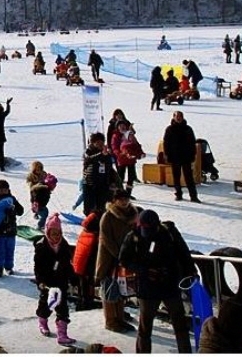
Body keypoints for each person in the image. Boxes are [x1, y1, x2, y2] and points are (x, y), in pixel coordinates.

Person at [118, 209, 197, 354]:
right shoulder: (133, 236)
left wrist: (191, 271)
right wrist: (143, 270)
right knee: (145, 327)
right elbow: (124, 260)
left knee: (180, 325)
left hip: (170, 283)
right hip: (147, 286)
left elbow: (184, 253)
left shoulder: (169, 232)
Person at [95, 188, 139, 333]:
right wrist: (119, 255)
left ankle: (120, 319)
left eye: (126, 199)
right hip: (109, 258)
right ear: (114, 200)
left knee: (121, 290)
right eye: (121, 199)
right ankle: (110, 320)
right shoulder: (107, 216)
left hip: (125, 258)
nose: (124, 202)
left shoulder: (133, 214)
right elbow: (106, 239)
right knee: (109, 289)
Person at [33, 213, 76, 345]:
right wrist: (40, 281)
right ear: (48, 233)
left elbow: (68, 264)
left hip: (61, 281)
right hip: (47, 282)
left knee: (63, 307)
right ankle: (43, 322)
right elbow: (38, 267)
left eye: (58, 233)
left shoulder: (64, 245)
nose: (56, 236)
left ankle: (62, 334)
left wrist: (73, 278)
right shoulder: (41, 247)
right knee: (46, 304)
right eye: (54, 234)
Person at [163, 111, 200, 202]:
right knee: (176, 177)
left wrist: (193, 154)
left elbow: (192, 142)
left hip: (186, 156)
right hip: (175, 156)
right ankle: (178, 194)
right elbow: (166, 143)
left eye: (180, 116)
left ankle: (193, 196)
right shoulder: (169, 129)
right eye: (177, 116)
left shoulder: (188, 129)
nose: (179, 118)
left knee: (189, 177)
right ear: (174, 117)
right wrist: (167, 155)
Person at [82, 132, 118, 215]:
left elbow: (110, 169)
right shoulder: (88, 152)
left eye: (101, 142)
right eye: (97, 142)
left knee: (102, 207)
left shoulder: (106, 154)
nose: (100, 144)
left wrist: (112, 182)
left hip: (103, 184)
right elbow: (89, 159)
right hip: (89, 184)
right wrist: (101, 154)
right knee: (89, 208)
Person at [112, 121, 145, 197]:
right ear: (117, 127)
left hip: (131, 160)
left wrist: (140, 153)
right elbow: (114, 147)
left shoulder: (129, 134)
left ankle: (128, 193)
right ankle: (119, 194)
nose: (122, 127)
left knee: (131, 177)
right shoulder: (116, 136)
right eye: (120, 126)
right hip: (121, 159)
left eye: (123, 125)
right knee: (120, 178)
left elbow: (136, 144)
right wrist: (120, 154)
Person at [26, 161, 56, 230]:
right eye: (37, 169)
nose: (39, 171)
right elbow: (29, 182)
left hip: (43, 190)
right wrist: (34, 185)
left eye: (40, 169)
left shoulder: (43, 174)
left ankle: (37, 211)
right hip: (34, 190)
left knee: (42, 202)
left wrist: (48, 183)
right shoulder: (31, 175)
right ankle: (36, 212)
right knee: (35, 202)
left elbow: (47, 179)